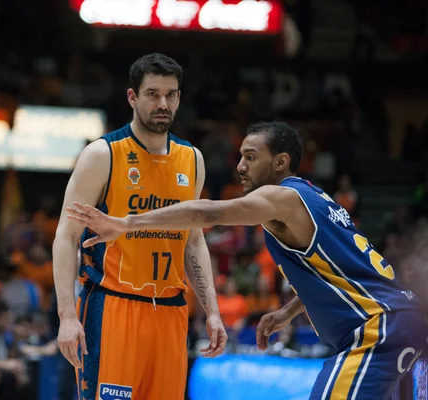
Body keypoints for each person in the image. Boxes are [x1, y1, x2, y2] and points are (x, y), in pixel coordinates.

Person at [67, 121, 428, 400]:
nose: (240, 166)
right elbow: (348, 276)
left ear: (280, 162)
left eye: (251, 157)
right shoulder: (319, 199)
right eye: (240, 156)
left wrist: (127, 223)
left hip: (377, 331)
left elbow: (208, 212)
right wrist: (289, 311)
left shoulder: (281, 199)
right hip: (405, 322)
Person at [53, 53, 227, 400]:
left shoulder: (192, 159)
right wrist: (67, 317)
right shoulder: (103, 155)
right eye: (152, 94)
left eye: (171, 94)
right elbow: (66, 236)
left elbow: (193, 242)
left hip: (171, 311)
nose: (162, 103)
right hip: (113, 307)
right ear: (132, 97)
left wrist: (213, 311)